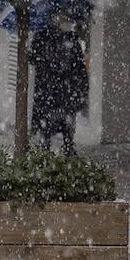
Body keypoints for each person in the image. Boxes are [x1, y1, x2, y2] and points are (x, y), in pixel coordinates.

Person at [32, 13, 88, 156]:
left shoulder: (45, 37)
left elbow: (79, 66)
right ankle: (62, 150)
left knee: (55, 127)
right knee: (60, 126)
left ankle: (54, 152)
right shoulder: (46, 37)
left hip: (56, 91)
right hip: (57, 91)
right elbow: (79, 66)